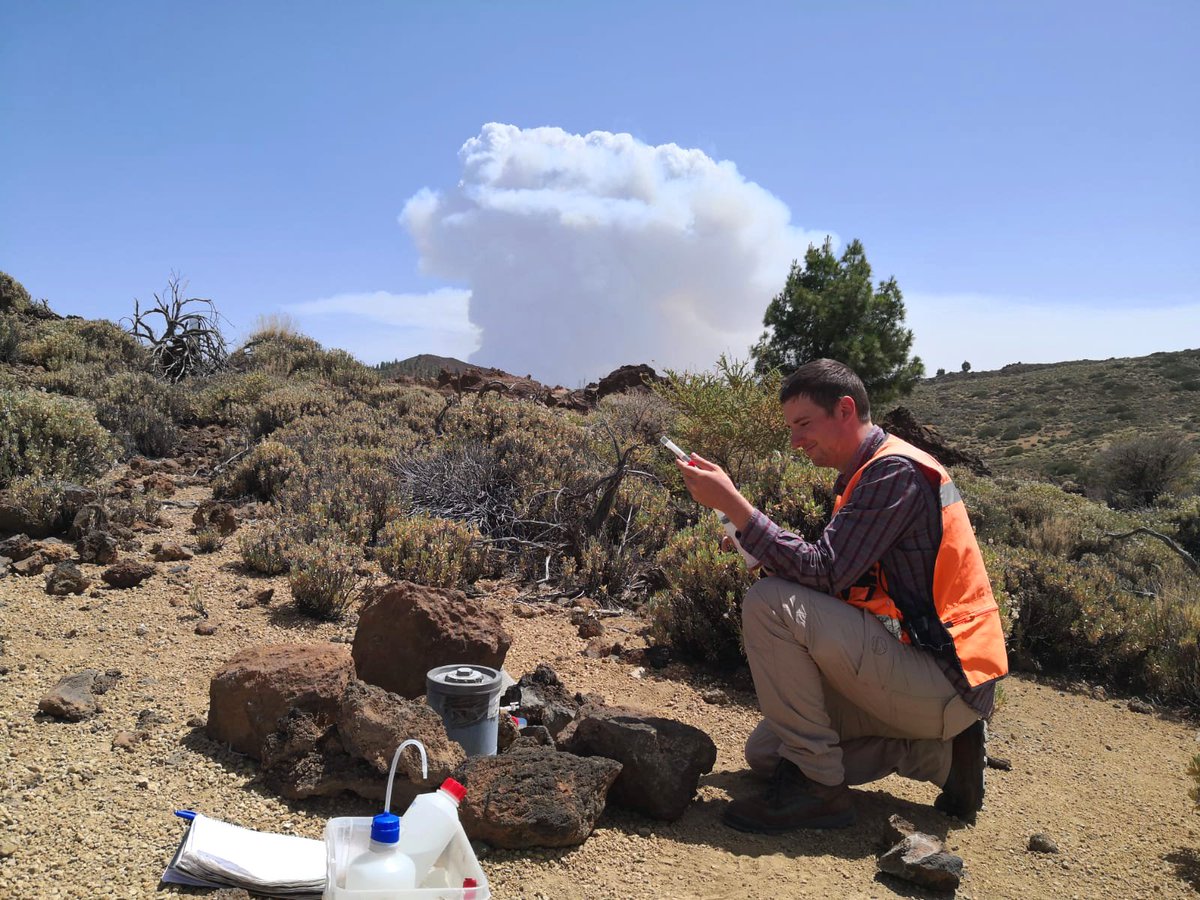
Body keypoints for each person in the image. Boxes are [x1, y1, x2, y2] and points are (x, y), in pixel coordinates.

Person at [676, 358, 1008, 833]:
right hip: (922, 673)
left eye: (804, 424)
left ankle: (819, 791)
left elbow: (822, 571)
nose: (795, 441)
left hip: (947, 678)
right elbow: (835, 576)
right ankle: (944, 758)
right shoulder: (869, 472)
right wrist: (750, 536)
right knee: (768, 753)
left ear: (846, 409)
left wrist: (735, 505)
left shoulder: (894, 473)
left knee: (769, 603)